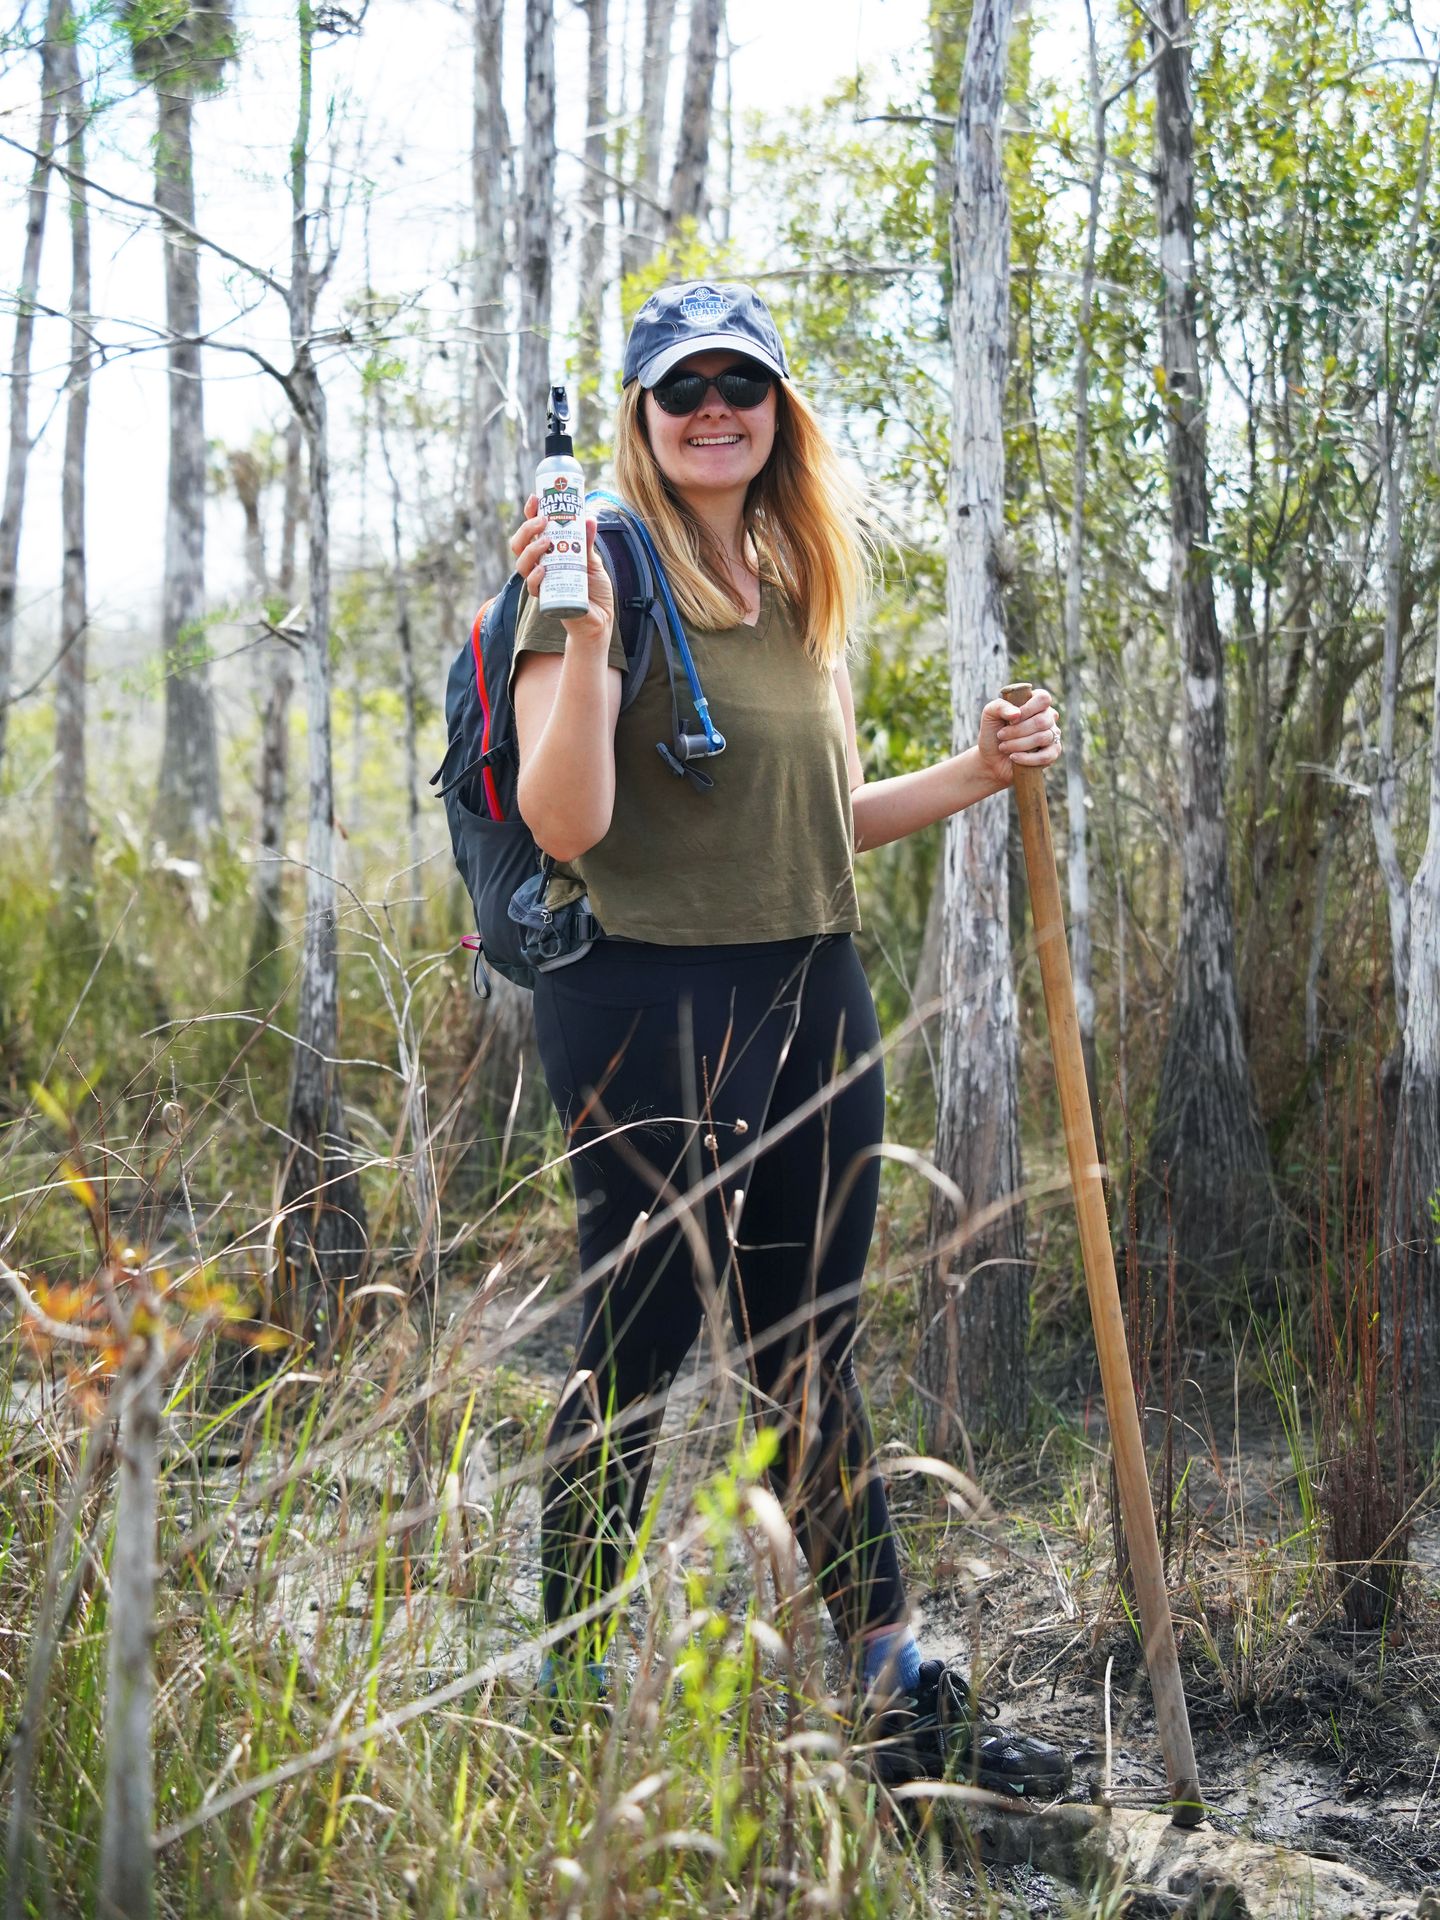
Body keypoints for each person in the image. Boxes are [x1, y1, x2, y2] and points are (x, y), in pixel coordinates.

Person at [506, 280, 1068, 1795]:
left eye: (738, 386)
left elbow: (818, 824)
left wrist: (977, 769)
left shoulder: (792, 582)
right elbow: (566, 823)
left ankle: (892, 1675)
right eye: (679, 388)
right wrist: (580, 625)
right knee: (639, 1346)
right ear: (638, 417)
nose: (712, 410)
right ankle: (566, 1680)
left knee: (806, 1337)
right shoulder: (595, 568)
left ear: (777, 416)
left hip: (812, 990)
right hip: (643, 1000)